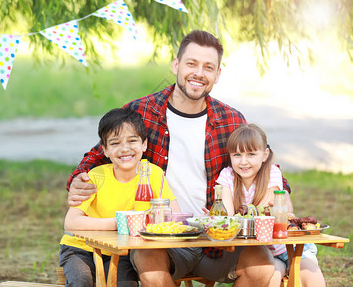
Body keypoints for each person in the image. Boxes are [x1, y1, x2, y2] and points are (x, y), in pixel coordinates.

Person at [67, 30, 292, 286]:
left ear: (217, 75)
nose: (199, 73)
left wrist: (279, 194)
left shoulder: (231, 120)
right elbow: (100, 153)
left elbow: (263, 164)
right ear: (176, 64)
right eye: (191, 63)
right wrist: (77, 179)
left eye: (209, 67)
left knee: (262, 263)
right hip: (164, 242)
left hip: (216, 240)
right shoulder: (143, 110)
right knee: (148, 262)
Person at [59, 108, 180, 287]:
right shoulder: (96, 176)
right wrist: (122, 222)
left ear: (144, 144)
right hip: (81, 249)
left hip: (120, 251)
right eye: (115, 143)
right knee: (82, 282)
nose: (125, 149)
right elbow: (71, 222)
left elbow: (175, 216)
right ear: (105, 150)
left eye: (132, 140)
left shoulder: (153, 174)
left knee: (126, 283)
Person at [217, 123, 325, 287]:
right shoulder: (227, 176)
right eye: (237, 155)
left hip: (292, 248)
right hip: (266, 254)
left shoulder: (271, 172)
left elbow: (263, 215)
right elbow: (227, 220)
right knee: (270, 280)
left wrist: (238, 218)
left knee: (314, 281)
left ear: (265, 154)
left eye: (251, 154)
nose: (244, 161)